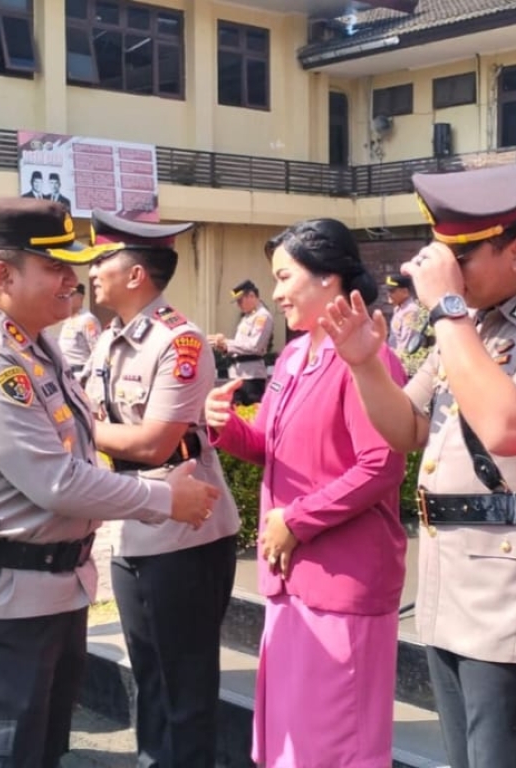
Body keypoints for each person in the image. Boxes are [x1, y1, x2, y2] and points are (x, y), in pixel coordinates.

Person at [321, 163, 516, 768]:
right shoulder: (474, 326)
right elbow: (406, 428)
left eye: (461, 257)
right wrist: (364, 365)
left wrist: (449, 311)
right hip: (452, 585)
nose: (446, 273)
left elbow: (510, 427)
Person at [0, 197, 220, 768]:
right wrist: (165, 499)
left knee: (37, 754)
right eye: (55, 267)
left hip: (48, 592)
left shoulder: (34, 347)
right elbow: (56, 482)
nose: (72, 279)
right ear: (4, 275)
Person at [207, 218, 407, 767]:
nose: (274, 293)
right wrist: (223, 426)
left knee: (337, 746)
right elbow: (269, 446)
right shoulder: (295, 357)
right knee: (292, 743)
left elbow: (382, 464)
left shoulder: (366, 360)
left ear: (328, 280)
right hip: (291, 579)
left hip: (342, 579)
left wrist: (297, 519)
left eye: (284, 276)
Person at [83, 210, 239, 766]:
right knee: (149, 673)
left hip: (183, 529)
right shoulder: (108, 341)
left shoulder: (180, 341)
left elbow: (153, 443)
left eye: (104, 259)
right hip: (132, 516)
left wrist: (72, 428)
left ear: (136, 275)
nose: (93, 270)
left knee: (184, 681)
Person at [210, 280, 272, 405]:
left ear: (251, 296)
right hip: (238, 374)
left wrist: (227, 343)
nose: (238, 305)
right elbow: (240, 345)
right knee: (237, 414)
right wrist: (223, 347)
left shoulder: (262, 316)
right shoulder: (247, 317)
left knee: (250, 415)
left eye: (240, 300)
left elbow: (255, 346)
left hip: (251, 376)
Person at [57, 283, 101, 377]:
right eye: (65, 294)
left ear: (81, 298)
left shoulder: (88, 320)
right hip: (66, 372)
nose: (67, 297)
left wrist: (84, 375)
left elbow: (97, 350)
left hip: (80, 372)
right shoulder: (68, 319)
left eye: (70, 294)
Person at [384, 273, 422, 355]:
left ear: (405, 292)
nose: (388, 294)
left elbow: (406, 345)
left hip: (402, 362)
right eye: (388, 291)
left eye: (392, 291)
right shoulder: (399, 309)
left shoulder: (411, 312)